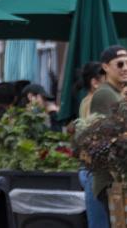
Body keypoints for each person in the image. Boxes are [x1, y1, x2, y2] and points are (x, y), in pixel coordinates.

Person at [89, 45, 127, 222]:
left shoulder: (117, 93)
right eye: (120, 64)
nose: (125, 68)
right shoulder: (105, 94)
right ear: (105, 67)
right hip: (112, 180)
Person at [76, 61, 108, 228]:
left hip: (88, 170)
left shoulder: (86, 101)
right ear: (95, 82)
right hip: (94, 172)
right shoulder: (95, 101)